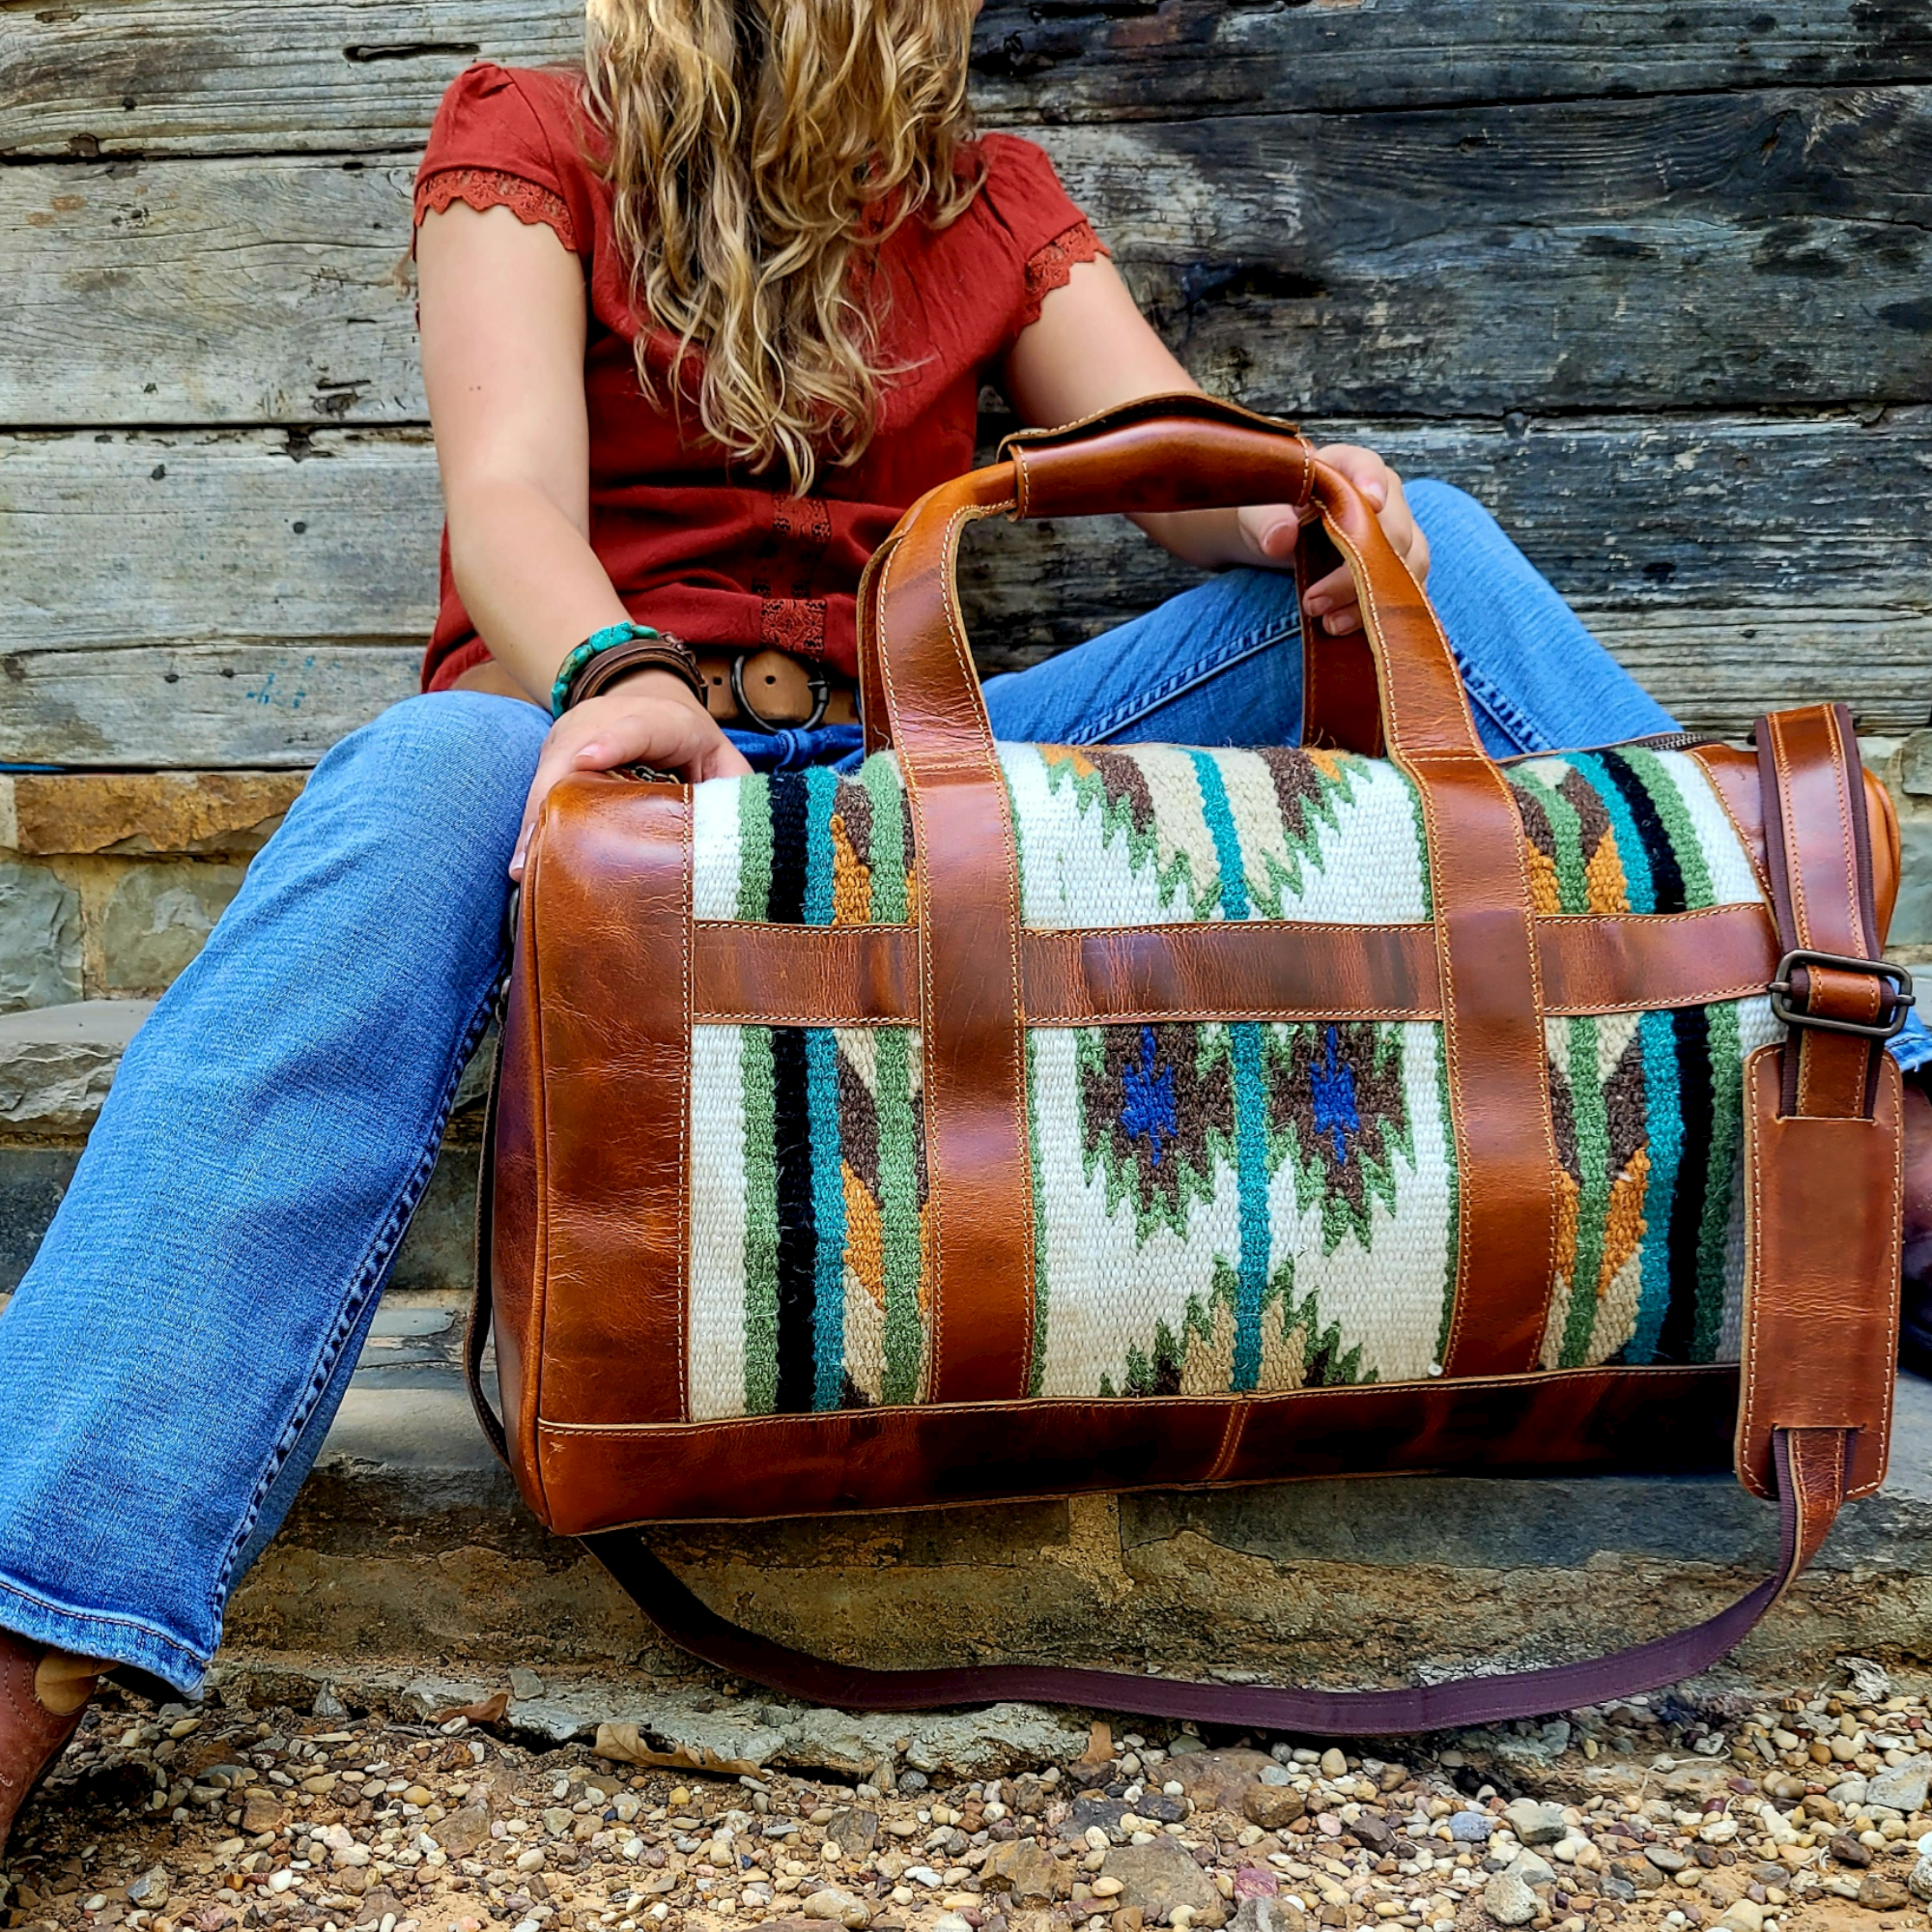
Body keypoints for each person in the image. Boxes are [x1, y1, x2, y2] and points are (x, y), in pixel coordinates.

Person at [0, 0, 1925, 1856]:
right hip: (596, 756)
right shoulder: (536, 137)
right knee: (418, 771)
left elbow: (1165, 444)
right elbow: (506, 498)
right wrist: (613, 666)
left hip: (909, 790)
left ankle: (1884, 1127)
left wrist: (1297, 525)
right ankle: (30, 1619)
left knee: (1421, 529)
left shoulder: (985, 192)